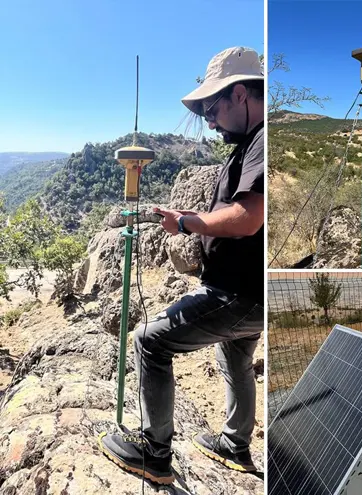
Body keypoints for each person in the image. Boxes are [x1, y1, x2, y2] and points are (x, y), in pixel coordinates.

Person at [99, 46, 265, 484]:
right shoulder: (250, 143)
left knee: (150, 342)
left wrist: (187, 223)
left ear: (241, 95)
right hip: (247, 292)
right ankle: (235, 446)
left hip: (238, 294)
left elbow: (249, 218)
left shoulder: (264, 141)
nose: (209, 120)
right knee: (236, 360)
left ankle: (153, 455)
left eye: (213, 107)